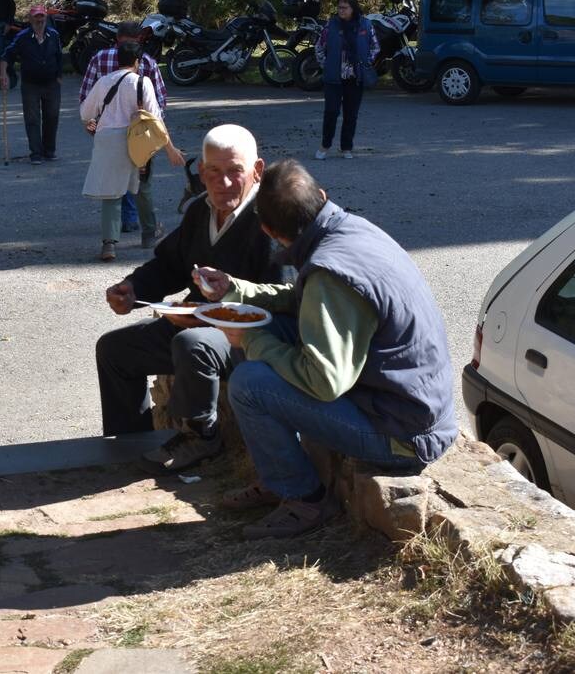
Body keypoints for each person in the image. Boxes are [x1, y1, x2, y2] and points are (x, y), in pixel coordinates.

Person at [195, 159, 458, 539]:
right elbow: (307, 298)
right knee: (262, 330)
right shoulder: (350, 230)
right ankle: (279, 472)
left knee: (250, 381)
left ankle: (305, 498)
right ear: (322, 197)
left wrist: (251, 340)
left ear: (268, 230)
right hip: (400, 405)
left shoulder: (330, 273)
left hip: (403, 435)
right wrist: (236, 290)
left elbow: (324, 382)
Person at [95, 124, 280, 473]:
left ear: (257, 170)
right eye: (213, 172)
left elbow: (279, 300)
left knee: (194, 342)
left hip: (250, 337)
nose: (222, 183)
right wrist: (133, 289)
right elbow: (169, 265)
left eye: (234, 172)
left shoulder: (270, 217)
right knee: (114, 350)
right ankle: (129, 444)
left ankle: (201, 436)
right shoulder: (200, 211)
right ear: (200, 171)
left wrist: (208, 314)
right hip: (196, 320)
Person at [81, 41, 185, 262]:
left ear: (117, 59)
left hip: (107, 139)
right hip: (136, 140)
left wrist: (93, 122)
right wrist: (170, 149)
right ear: (137, 62)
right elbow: (155, 119)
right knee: (141, 187)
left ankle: (109, 244)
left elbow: (85, 113)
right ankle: (149, 234)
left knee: (112, 192)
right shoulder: (142, 82)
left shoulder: (103, 82)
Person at [313, 0, 378, 161]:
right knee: (331, 112)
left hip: (355, 77)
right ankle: (325, 145)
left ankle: (346, 147)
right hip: (334, 77)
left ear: (353, 9)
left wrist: (366, 62)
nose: (341, 10)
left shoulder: (365, 24)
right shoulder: (331, 25)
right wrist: (326, 65)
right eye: (339, 7)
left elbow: (375, 46)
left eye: (345, 8)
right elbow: (320, 47)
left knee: (351, 114)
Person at [1, 5, 64, 164]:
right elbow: (6, 56)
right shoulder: (22, 37)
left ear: (46, 18)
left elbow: (59, 56)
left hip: (51, 84)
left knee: (52, 117)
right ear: (30, 19)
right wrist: (3, 75)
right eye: (36, 17)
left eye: (42, 16)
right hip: (31, 85)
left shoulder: (53, 35)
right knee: (32, 119)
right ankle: (35, 153)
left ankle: (49, 151)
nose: (39, 20)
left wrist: (59, 76)